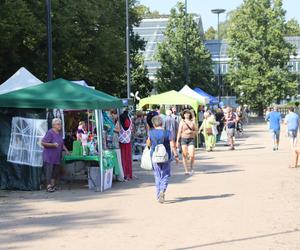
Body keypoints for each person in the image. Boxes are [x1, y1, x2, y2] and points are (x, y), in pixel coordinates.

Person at [147, 115, 175, 203]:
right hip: (166, 156)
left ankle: (158, 194)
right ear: (162, 123)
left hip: (154, 156)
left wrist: (149, 147)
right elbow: (172, 144)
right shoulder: (167, 132)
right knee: (165, 174)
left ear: (153, 124)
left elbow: (148, 143)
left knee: (157, 175)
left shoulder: (150, 132)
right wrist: (176, 154)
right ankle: (162, 190)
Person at [42, 118, 69, 192]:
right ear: (53, 125)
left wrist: (66, 150)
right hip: (49, 157)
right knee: (49, 172)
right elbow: (43, 143)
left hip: (57, 157)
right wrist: (52, 145)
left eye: (60, 124)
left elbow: (61, 143)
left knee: (55, 172)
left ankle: (53, 186)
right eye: (58, 124)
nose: (60, 125)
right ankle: (48, 186)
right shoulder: (50, 132)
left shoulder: (59, 133)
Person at [176, 109, 197, 175]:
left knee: (192, 155)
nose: (187, 115)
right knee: (184, 155)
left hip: (191, 139)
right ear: (183, 115)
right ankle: (186, 170)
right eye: (185, 114)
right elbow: (179, 132)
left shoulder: (192, 122)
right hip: (183, 139)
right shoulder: (182, 122)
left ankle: (191, 168)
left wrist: (191, 131)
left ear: (190, 114)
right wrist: (177, 141)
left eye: (188, 113)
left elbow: (196, 131)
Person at [118, 110, 133, 180]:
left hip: (121, 140)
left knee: (122, 158)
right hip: (128, 140)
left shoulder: (120, 118)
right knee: (127, 158)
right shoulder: (129, 118)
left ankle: (123, 173)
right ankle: (128, 173)